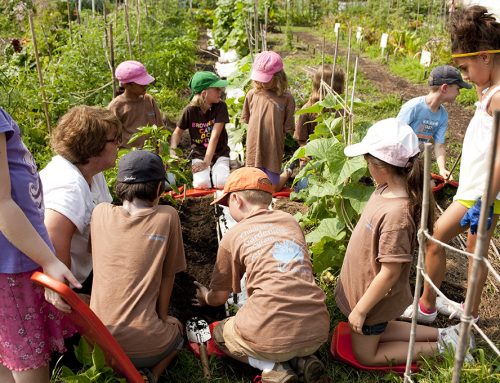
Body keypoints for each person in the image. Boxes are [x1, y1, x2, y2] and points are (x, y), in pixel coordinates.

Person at [335, 118, 475, 366]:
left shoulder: (397, 215)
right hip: (369, 297)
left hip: (373, 301)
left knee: (366, 354)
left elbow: (390, 273)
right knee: (382, 329)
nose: (366, 166)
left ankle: (444, 347)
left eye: (367, 161)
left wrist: (361, 310)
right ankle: (446, 335)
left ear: (380, 166)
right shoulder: (384, 190)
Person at [402, 5, 500, 324]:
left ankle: (466, 325)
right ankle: (428, 306)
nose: (467, 77)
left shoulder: (498, 96)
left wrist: (487, 200)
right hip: (472, 192)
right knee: (435, 238)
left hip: (484, 195)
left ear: (486, 56)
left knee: (473, 258)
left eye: (466, 67)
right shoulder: (489, 93)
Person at [194, 167, 330, 383]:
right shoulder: (290, 222)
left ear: (237, 200)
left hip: (269, 336)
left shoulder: (233, 237)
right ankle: (304, 361)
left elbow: (219, 298)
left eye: (227, 203)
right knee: (287, 338)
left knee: (221, 334)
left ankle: (273, 368)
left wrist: (205, 297)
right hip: (317, 330)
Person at [90, 150, 186, 383]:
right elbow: (168, 275)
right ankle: (151, 374)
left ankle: (117, 371)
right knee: (179, 332)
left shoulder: (100, 212)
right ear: (157, 189)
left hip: (97, 345)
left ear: (120, 186)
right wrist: (164, 318)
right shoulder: (168, 216)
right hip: (147, 348)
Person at [0, 107, 81, 383]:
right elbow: (2, 203)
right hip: (16, 263)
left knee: (8, 351)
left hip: (15, 253)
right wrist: (49, 260)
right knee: (26, 361)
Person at [40, 106, 122, 290]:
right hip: (69, 282)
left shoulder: (92, 173)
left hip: (88, 269)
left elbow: (102, 223)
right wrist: (71, 297)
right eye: (115, 140)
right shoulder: (69, 188)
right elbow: (52, 243)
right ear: (93, 146)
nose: (119, 144)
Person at [397, 65, 471, 180]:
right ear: (445, 88)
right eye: (458, 89)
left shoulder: (443, 115)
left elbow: (439, 145)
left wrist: (442, 169)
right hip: (398, 157)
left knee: (427, 185)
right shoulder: (413, 107)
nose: (459, 93)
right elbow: (396, 136)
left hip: (416, 159)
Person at [242, 51, 296, 192]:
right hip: (254, 146)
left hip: (273, 147)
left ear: (278, 77)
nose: (260, 82)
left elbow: (288, 127)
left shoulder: (286, 98)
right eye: (258, 79)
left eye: (265, 79)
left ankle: (287, 172)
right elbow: (248, 120)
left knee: (271, 188)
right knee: (253, 184)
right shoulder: (252, 95)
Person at [170, 71, 230, 189]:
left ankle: (225, 168)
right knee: (201, 184)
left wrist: (207, 162)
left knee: (221, 182)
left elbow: (215, 136)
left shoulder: (221, 107)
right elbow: (177, 133)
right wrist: (172, 153)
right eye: (216, 89)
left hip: (220, 153)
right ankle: (212, 172)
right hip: (199, 154)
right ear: (204, 93)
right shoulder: (190, 111)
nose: (220, 91)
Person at [108, 60, 163, 148]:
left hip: (152, 153)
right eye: (141, 84)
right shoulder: (117, 106)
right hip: (128, 156)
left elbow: (160, 128)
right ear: (127, 85)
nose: (146, 85)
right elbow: (110, 136)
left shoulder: (149, 100)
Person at [294, 66, 345, 149]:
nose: (339, 92)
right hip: (310, 154)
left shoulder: (341, 108)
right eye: (337, 89)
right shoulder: (307, 110)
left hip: (334, 152)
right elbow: (301, 139)